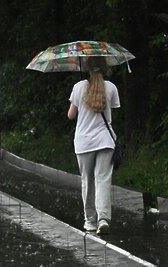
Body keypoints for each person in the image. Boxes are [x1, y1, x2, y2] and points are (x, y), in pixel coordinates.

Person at [67, 56, 120, 235]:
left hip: (84, 142)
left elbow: (71, 115)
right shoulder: (111, 87)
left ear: (87, 68)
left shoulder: (79, 87)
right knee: (103, 179)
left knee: (87, 182)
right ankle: (103, 218)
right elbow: (112, 112)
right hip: (105, 140)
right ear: (105, 68)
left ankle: (90, 220)